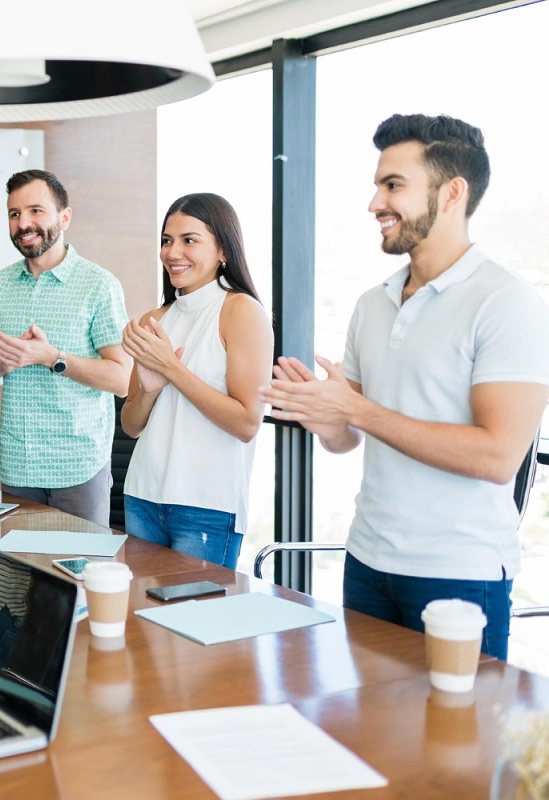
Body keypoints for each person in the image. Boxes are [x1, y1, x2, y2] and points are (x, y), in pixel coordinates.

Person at [261, 114, 549, 659]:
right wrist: (328, 417)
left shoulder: (507, 304)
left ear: (451, 193)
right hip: (367, 560)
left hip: (459, 576)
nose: (375, 203)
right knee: (369, 737)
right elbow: (348, 437)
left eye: (393, 185)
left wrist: (358, 411)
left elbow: (497, 457)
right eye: (377, 186)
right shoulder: (374, 303)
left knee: (454, 742)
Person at [0, 169, 131, 527]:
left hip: (78, 466)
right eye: (14, 214)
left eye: (36, 211)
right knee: (24, 577)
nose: (24, 223)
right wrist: (1, 365)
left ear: (64, 216)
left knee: (80, 577)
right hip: (18, 464)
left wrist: (52, 357)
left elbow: (121, 379)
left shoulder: (98, 285)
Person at [120, 194, 273, 568]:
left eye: (190, 240)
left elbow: (246, 423)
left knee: (191, 622)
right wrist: (150, 392)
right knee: (141, 622)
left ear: (223, 249)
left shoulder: (242, 311)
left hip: (206, 505)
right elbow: (131, 425)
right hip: (142, 496)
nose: (173, 252)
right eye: (167, 240)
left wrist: (173, 371)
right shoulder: (154, 318)